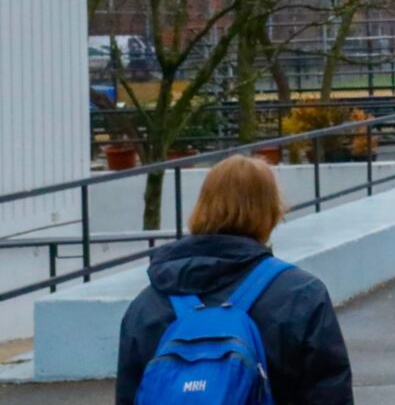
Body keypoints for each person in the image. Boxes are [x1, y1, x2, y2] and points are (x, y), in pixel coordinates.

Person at [116, 154, 353, 405]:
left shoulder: (146, 306)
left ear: (202, 207)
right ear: (270, 212)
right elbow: (330, 395)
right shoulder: (301, 294)